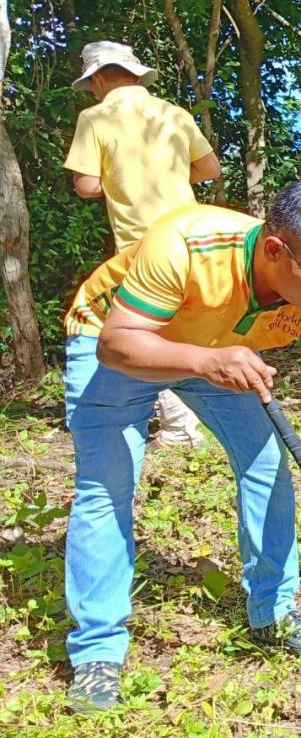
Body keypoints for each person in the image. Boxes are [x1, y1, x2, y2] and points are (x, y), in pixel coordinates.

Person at [61, 178, 301, 712]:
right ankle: (97, 652)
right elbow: (116, 344)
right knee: (107, 483)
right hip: (124, 340)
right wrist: (203, 361)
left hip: (217, 351)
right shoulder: (187, 242)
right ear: (275, 250)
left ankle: (273, 609)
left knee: (267, 462)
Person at [64, 40, 223, 448]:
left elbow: (86, 185)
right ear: (135, 74)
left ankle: (177, 427)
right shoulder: (173, 113)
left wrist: (116, 177)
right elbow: (209, 169)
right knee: (182, 323)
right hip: (192, 236)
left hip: (141, 243)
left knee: (138, 331)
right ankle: (191, 418)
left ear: (98, 78)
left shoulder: (95, 118)